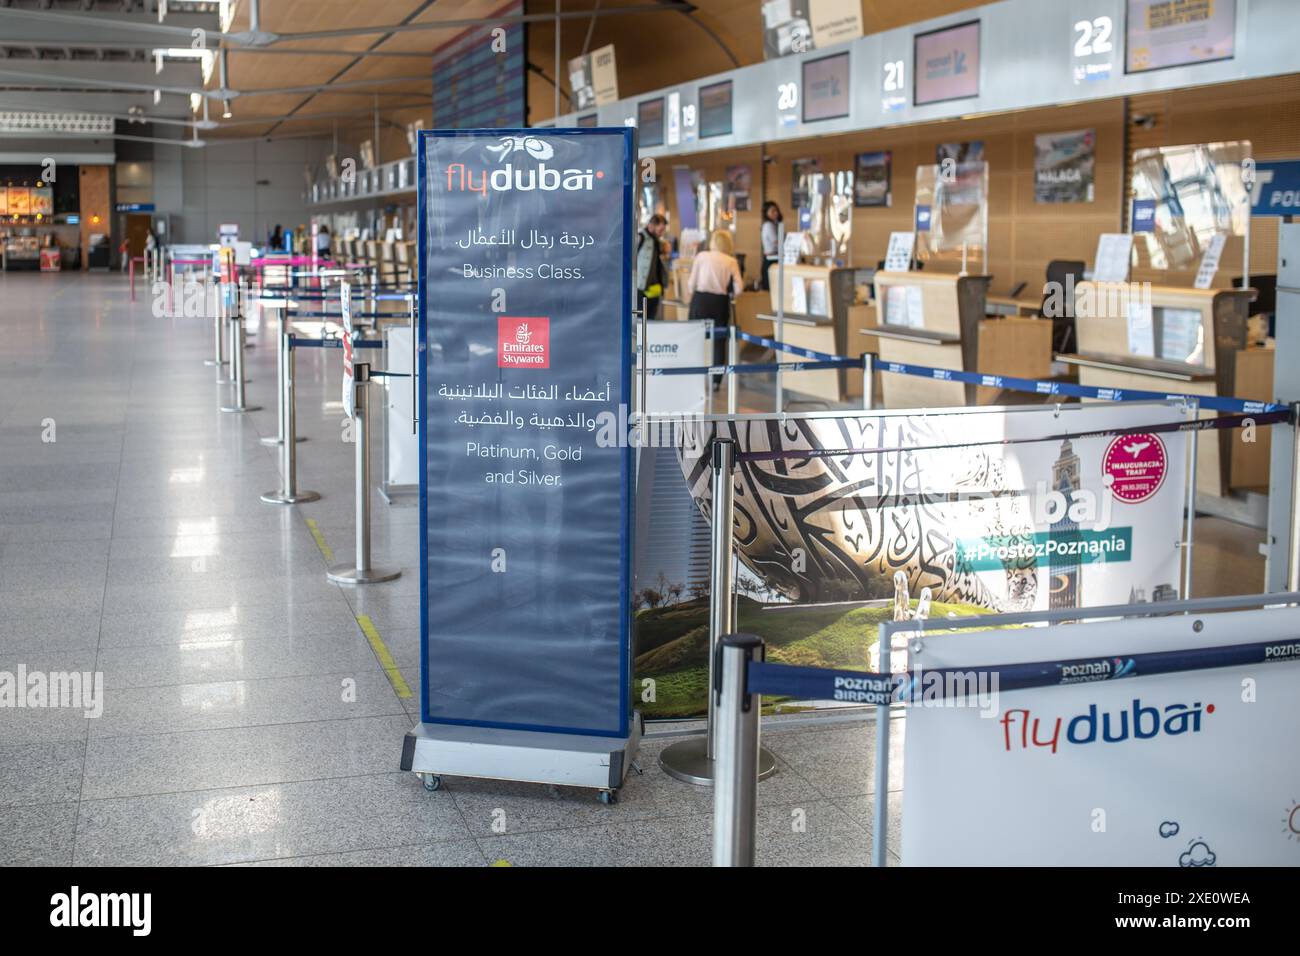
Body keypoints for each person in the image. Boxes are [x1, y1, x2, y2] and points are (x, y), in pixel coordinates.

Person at [687, 229, 744, 391]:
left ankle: (692, 375)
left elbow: (691, 283)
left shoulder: (702, 256)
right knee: (719, 342)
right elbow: (739, 288)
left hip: (701, 299)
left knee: (694, 338)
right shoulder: (731, 261)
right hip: (720, 302)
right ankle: (716, 381)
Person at [636, 214, 668, 321]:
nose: (662, 233)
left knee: (651, 321)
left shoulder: (657, 241)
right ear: (651, 226)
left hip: (654, 289)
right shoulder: (640, 237)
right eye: (660, 230)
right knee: (641, 321)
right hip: (641, 289)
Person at [760, 201, 783, 292]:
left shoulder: (774, 224)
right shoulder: (768, 225)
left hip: (773, 259)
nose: (776, 213)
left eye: (776, 210)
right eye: (773, 211)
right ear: (766, 213)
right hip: (771, 260)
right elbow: (777, 242)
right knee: (771, 289)